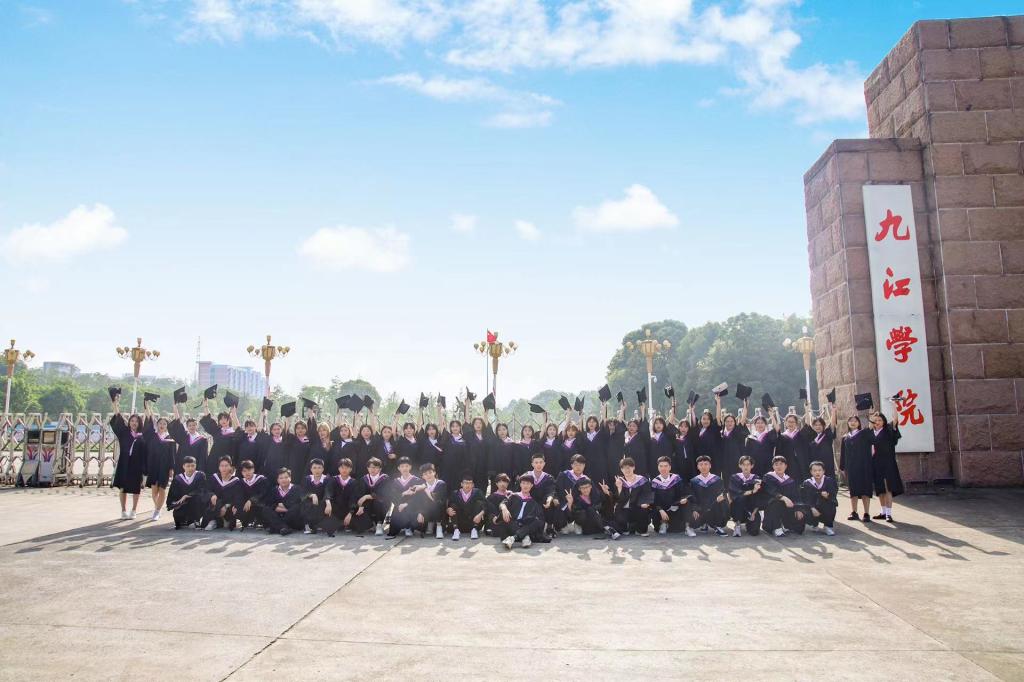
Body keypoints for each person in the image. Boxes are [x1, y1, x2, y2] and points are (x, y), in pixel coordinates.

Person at [110, 393, 147, 520]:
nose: (134, 423)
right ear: (129, 422)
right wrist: (115, 403)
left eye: (136, 421)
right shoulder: (124, 432)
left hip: (137, 464)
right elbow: (118, 417)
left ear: (139, 423)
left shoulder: (142, 435)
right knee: (123, 487)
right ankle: (123, 510)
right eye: (132, 421)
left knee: (136, 488)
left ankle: (134, 510)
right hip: (124, 463)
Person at [142, 402, 176, 522]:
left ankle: (157, 510)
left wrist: (172, 468)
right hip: (153, 465)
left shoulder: (170, 438)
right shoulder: (152, 436)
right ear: (157, 425)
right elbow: (148, 422)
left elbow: (173, 454)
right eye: (160, 423)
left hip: (164, 466)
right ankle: (158, 507)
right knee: (154, 489)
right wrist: (148, 407)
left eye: (164, 424)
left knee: (162, 488)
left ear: (167, 426)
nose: (162, 425)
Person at [870, 406, 904, 523]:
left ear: (884, 421)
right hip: (875, 463)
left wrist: (894, 404)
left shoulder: (888, 430)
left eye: (880, 420)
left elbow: (895, 419)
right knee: (880, 489)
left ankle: (889, 514)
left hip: (887, 463)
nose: (877, 422)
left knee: (887, 487)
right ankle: (883, 512)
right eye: (875, 420)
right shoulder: (871, 433)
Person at [497, 474, 547, 550]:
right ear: (520, 484)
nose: (525, 486)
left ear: (531, 485)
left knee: (537, 521)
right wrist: (504, 509)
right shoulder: (513, 496)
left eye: (528, 484)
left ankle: (513, 538)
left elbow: (540, 519)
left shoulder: (534, 502)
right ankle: (525, 537)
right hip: (513, 524)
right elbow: (503, 503)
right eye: (523, 483)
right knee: (506, 519)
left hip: (526, 525)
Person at [607, 457, 653, 537]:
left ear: (633, 467)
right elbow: (618, 500)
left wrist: (645, 502)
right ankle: (626, 528)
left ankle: (640, 530)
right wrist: (619, 488)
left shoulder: (642, 480)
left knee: (644, 509)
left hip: (637, 507)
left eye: (629, 467)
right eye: (624, 468)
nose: (626, 470)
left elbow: (646, 493)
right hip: (624, 509)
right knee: (619, 517)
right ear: (621, 470)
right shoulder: (619, 481)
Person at [839, 416, 874, 522]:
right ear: (848, 423)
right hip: (851, 467)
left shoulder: (864, 434)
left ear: (859, 423)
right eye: (850, 421)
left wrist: (871, 419)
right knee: (853, 490)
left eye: (855, 421)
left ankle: (866, 513)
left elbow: (871, 429)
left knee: (865, 490)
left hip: (864, 466)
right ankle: (854, 512)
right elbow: (843, 454)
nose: (853, 423)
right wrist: (842, 467)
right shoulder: (845, 437)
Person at [761, 455, 806, 537]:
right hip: (772, 507)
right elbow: (771, 491)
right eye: (776, 464)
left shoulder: (790, 480)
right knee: (777, 502)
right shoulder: (768, 477)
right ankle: (776, 527)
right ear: (773, 466)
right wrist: (783, 498)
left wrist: (798, 509)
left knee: (800, 528)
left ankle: (785, 525)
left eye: (781, 464)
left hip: (787, 508)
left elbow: (796, 496)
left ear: (786, 466)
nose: (779, 466)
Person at [688, 455, 729, 536]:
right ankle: (704, 523)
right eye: (701, 464)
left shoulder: (717, 480)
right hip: (700, 510)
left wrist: (722, 496)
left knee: (723, 501)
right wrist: (694, 509)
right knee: (690, 510)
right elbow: (692, 497)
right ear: (697, 467)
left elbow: (722, 492)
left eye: (706, 464)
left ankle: (717, 525)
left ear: (710, 465)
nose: (703, 467)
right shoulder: (693, 481)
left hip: (714, 508)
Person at [649, 456, 690, 535]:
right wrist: (660, 510)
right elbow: (653, 500)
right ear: (658, 467)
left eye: (666, 466)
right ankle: (662, 523)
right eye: (661, 466)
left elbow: (683, 493)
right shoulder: (654, 482)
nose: (663, 468)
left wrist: (679, 502)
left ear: (670, 467)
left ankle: (685, 526)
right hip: (660, 511)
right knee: (658, 526)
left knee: (677, 529)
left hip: (674, 508)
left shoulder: (676, 479)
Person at [386, 457, 425, 538]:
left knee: (409, 509)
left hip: (413, 506)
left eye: (407, 466)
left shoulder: (416, 480)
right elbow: (393, 496)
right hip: (399, 505)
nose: (405, 468)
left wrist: (407, 504)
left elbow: (419, 497)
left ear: (410, 467)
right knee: (394, 526)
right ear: (398, 468)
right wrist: (403, 495)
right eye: (402, 466)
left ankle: (409, 527)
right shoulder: (396, 481)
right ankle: (404, 527)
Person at [323, 457, 363, 535]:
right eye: (342, 467)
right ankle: (338, 523)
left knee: (361, 526)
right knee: (324, 504)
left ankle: (344, 523)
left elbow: (353, 499)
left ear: (351, 469)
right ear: (338, 468)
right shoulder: (333, 480)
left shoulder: (354, 482)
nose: (344, 470)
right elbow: (328, 492)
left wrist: (350, 513)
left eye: (347, 468)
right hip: (335, 509)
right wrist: (328, 503)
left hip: (348, 509)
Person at [525, 454, 562, 537]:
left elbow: (551, 491)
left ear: (544, 464)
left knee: (552, 501)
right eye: (536, 462)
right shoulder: (526, 476)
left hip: (543, 502)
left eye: (541, 462)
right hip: (530, 502)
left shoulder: (548, 477)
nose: (539, 464)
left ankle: (549, 527)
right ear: (532, 464)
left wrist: (549, 499)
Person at [259, 468, 304, 535]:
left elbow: (296, 506)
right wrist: (286, 508)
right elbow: (271, 504)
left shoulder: (297, 489)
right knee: (266, 509)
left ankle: (278, 527)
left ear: (290, 478)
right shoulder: (274, 490)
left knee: (297, 508)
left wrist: (282, 506)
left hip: (293, 520)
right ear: (278, 480)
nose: (284, 480)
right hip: (279, 516)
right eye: (281, 478)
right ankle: (283, 527)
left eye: (286, 477)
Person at [199, 401, 239, 477]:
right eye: (221, 419)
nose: (223, 421)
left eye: (225, 419)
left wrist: (233, 465)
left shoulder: (234, 434)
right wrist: (206, 405)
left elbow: (235, 451)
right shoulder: (217, 431)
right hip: (213, 461)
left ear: (229, 420)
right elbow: (208, 418)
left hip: (226, 463)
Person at [353, 457, 391, 536]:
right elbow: (361, 494)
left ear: (380, 469)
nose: (372, 469)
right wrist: (361, 506)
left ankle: (379, 524)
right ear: (367, 468)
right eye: (370, 467)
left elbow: (383, 493)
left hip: (382, 502)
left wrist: (367, 496)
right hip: (368, 503)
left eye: (375, 467)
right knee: (359, 526)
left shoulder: (385, 478)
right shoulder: (364, 479)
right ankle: (372, 524)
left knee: (377, 502)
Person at [166, 456, 206, 529]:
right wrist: (174, 504)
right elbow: (172, 494)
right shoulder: (178, 479)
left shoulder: (200, 475)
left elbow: (202, 490)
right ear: (183, 466)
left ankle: (196, 520)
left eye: (193, 466)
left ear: (196, 465)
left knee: (198, 498)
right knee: (179, 520)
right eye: (188, 466)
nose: (190, 468)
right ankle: (183, 520)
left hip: (195, 503)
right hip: (183, 504)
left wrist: (187, 495)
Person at [728, 455, 763, 537]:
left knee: (754, 532)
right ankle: (737, 524)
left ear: (752, 466)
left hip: (751, 509)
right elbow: (736, 494)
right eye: (743, 464)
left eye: (748, 464)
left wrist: (754, 513)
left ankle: (748, 523)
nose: (746, 467)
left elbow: (759, 497)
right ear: (740, 465)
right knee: (740, 498)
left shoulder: (756, 479)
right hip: (737, 509)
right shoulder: (734, 478)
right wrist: (752, 491)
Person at [410, 463, 448, 538]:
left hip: (440, 512)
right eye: (425, 474)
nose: (428, 475)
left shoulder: (441, 484)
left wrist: (425, 489)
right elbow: (418, 502)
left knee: (436, 504)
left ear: (434, 472)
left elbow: (436, 500)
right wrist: (420, 512)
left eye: (430, 472)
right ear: (422, 476)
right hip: (427, 512)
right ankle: (429, 524)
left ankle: (439, 527)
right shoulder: (421, 486)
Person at [202, 456, 240, 530]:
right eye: (222, 466)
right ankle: (213, 521)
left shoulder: (236, 481)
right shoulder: (214, 478)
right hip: (215, 505)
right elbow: (207, 490)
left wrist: (226, 506)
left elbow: (237, 497)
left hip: (228, 508)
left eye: (226, 466)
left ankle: (222, 521)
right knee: (212, 500)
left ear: (230, 467)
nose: (224, 468)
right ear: (219, 467)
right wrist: (212, 495)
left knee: (228, 521)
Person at [801, 461, 838, 535]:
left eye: (819, 470)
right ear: (811, 472)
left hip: (825, 505)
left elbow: (833, 494)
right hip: (813, 506)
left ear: (823, 471)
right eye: (814, 471)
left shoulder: (829, 481)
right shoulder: (807, 483)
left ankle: (827, 526)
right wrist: (812, 508)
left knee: (831, 505)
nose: (817, 472)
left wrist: (828, 496)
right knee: (805, 508)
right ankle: (814, 524)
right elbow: (805, 498)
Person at [169, 404, 209, 475]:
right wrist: (175, 408)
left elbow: (203, 457)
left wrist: (200, 471)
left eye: (194, 425)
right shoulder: (183, 436)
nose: (192, 427)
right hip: (182, 467)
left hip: (195, 468)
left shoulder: (203, 440)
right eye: (190, 425)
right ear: (187, 427)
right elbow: (178, 423)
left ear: (197, 426)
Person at [446, 471, 485, 540]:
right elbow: (449, 505)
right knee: (452, 505)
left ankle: (474, 530)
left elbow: (486, 505)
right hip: (459, 523)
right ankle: (456, 530)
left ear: (473, 485)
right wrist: (448, 510)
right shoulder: (455, 493)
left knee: (479, 503)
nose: (468, 485)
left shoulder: (477, 492)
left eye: (470, 483)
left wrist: (480, 514)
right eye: (466, 483)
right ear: (461, 484)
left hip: (473, 522)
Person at [803, 404, 838, 477]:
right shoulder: (811, 435)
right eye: (815, 425)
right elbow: (807, 424)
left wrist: (833, 411)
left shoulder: (827, 435)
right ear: (813, 426)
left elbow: (832, 425)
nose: (818, 426)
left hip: (827, 465)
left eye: (820, 425)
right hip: (814, 465)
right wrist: (806, 409)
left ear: (823, 426)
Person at [299, 458, 331, 535]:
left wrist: (328, 502)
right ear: (311, 469)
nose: (317, 470)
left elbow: (328, 492)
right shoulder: (307, 479)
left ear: (323, 469)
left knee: (325, 505)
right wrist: (311, 495)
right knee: (306, 503)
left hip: (322, 502)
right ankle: (308, 525)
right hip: (310, 503)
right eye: (314, 468)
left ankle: (320, 524)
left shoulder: (327, 479)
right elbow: (303, 492)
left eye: (319, 467)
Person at [236, 460, 268, 530]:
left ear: (253, 469)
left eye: (249, 470)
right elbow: (239, 496)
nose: (247, 473)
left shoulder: (262, 480)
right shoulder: (241, 482)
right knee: (237, 508)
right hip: (248, 506)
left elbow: (263, 494)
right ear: (241, 472)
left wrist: (251, 500)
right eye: (244, 471)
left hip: (260, 504)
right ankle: (248, 521)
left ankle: (260, 521)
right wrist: (235, 505)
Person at [485, 473, 513, 537]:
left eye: (504, 482)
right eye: (500, 482)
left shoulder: (512, 495)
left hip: (508, 520)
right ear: (496, 484)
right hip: (495, 521)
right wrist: (493, 518)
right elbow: (488, 512)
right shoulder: (491, 497)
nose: (502, 484)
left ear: (508, 483)